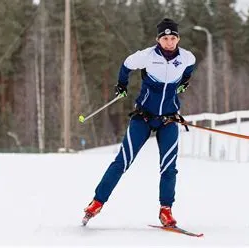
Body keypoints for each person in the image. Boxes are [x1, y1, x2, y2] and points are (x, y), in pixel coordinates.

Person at [82, 18, 196, 227]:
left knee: (169, 167)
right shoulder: (147, 56)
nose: (169, 42)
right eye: (165, 38)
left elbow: (189, 70)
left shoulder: (187, 57)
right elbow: (126, 65)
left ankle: (166, 210)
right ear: (158, 39)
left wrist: (184, 83)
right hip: (143, 118)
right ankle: (97, 202)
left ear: (178, 39)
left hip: (169, 120)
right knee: (122, 162)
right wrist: (121, 85)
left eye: (173, 38)